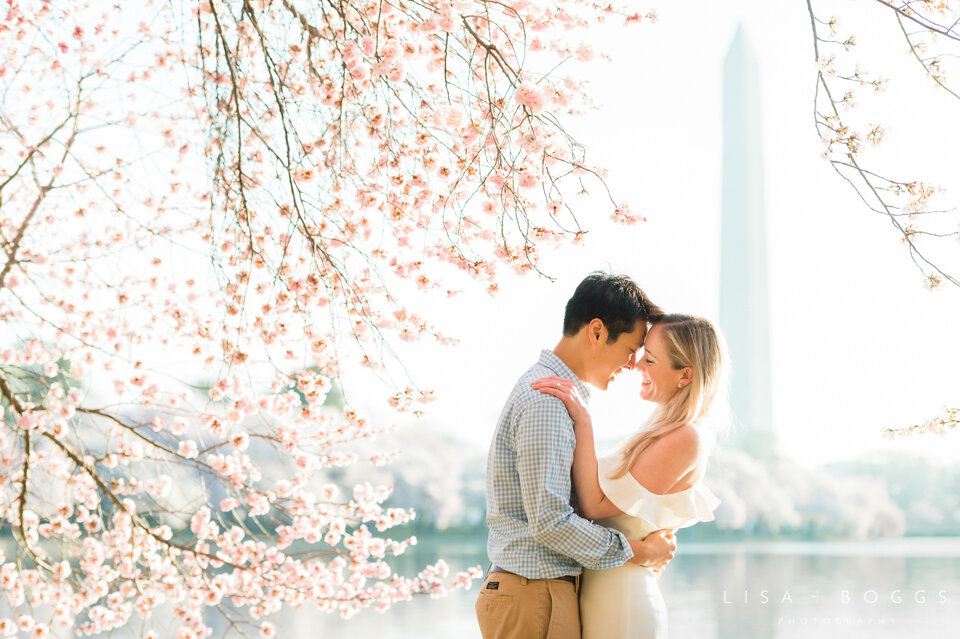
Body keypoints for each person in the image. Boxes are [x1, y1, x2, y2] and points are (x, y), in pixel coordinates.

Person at [475, 272, 677, 639]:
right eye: (631, 350)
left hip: (535, 592)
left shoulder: (555, 395)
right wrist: (638, 551)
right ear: (597, 331)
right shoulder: (548, 402)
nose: (633, 365)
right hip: (534, 592)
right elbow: (551, 522)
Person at [532, 313, 728, 638]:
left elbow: (594, 506)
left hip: (621, 604)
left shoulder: (685, 438)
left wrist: (583, 420)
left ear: (685, 375)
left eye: (649, 359)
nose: (636, 365)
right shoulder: (660, 430)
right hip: (603, 595)